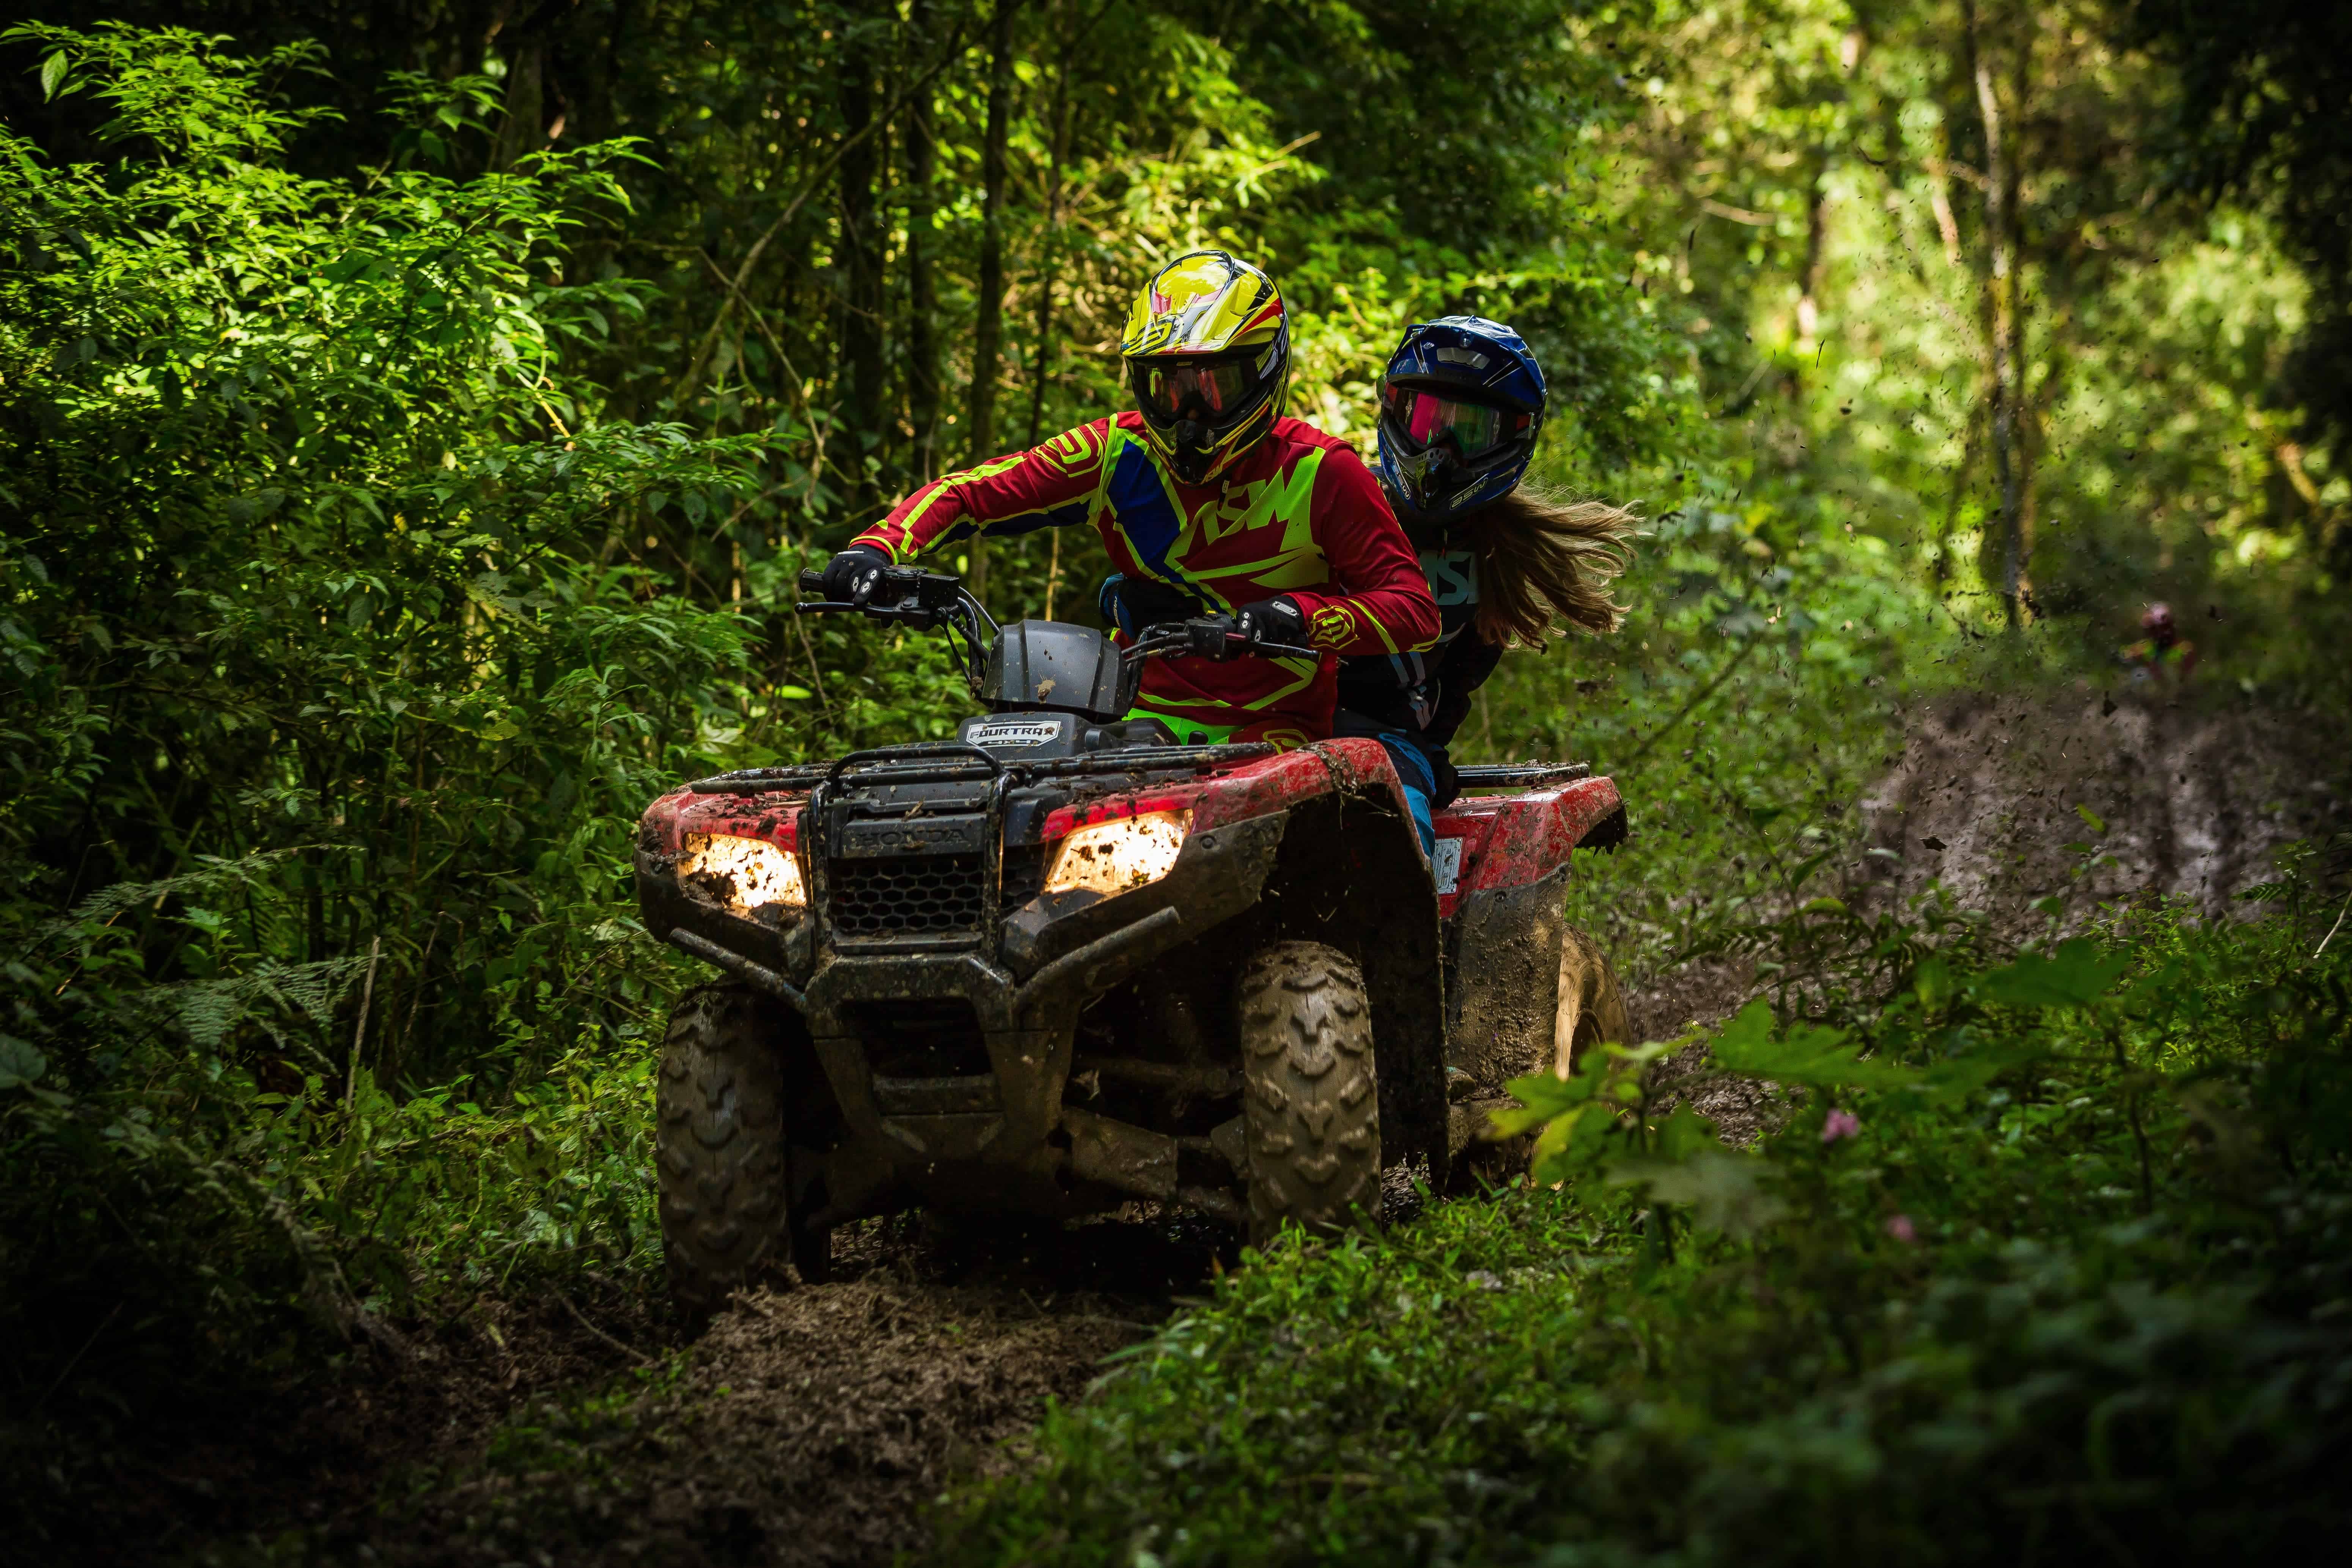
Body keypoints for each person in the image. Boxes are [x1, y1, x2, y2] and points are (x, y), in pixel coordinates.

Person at [819, 249, 1439, 750]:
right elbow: (968, 493)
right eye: (1168, 388)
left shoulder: (1322, 471)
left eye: (1214, 387)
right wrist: (874, 550)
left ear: (1263, 372)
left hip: (1275, 735)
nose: (1190, 414)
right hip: (1130, 722)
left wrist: (1298, 617)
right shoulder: (1114, 452)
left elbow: (1415, 609)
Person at [1334, 316, 1638, 854]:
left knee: (1396, 854)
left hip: (1388, 749)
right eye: (1430, 421)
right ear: (1396, 409)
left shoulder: (1499, 550)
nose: (1443, 449)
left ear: (1513, 437)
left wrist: (1426, 745)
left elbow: (1460, 678)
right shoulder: (1338, 504)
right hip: (1280, 724)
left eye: (1469, 431)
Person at [2121, 601, 2197, 683]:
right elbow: (2125, 655)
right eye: (2152, 629)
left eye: (2165, 627)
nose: (2159, 633)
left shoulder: (2184, 650)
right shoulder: (2145, 648)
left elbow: (2185, 677)